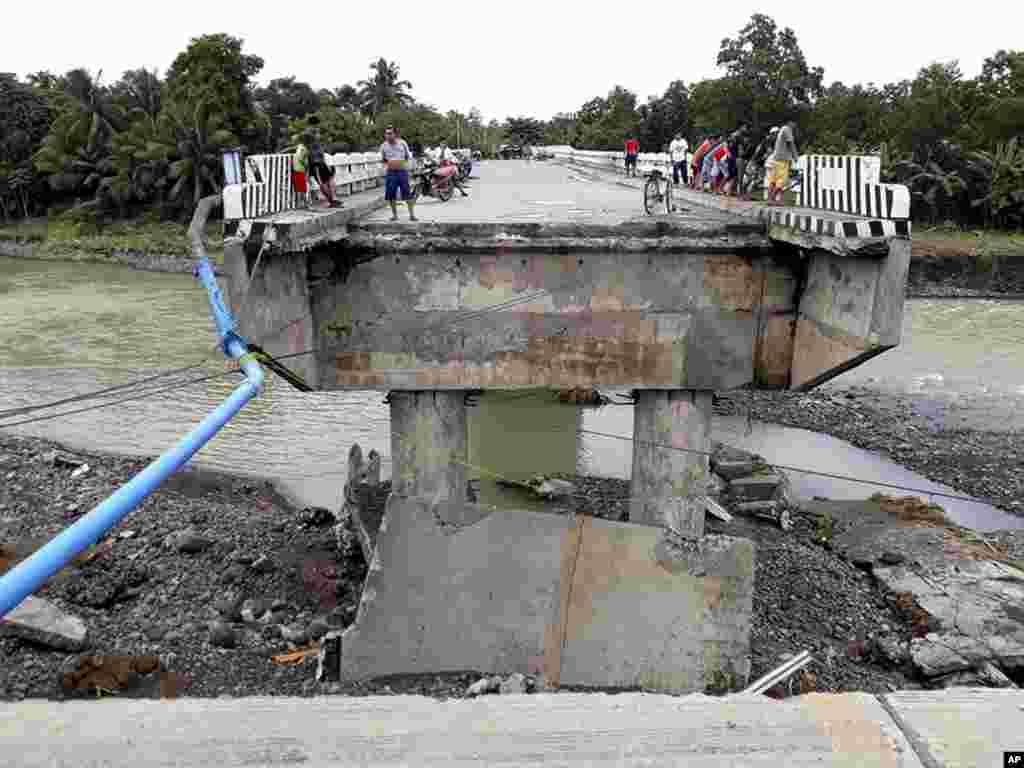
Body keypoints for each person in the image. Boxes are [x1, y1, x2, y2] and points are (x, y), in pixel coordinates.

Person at [380, 125, 417, 222]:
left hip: (402, 171)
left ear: (395, 134)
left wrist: (405, 166)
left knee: (407, 193)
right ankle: (394, 215)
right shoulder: (383, 146)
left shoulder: (402, 143)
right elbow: (383, 159)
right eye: (386, 134)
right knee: (391, 195)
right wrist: (389, 164)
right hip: (391, 172)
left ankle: (412, 215)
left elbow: (407, 156)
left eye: (390, 133)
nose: (387, 135)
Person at [304, 117, 342, 208]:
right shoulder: (313, 132)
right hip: (318, 160)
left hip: (315, 161)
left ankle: (332, 200)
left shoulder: (307, 133)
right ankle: (333, 199)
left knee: (323, 181)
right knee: (327, 179)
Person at [767, 121, 799, 205]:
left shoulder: (782, 130)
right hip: (782, 160)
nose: (795, 126)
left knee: (773, 180)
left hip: (776, 158)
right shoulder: (787, 129)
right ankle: (773, 199)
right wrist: (795, 156)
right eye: (794, 124)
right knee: (782, 181)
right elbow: (791, 143)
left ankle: (770, 199)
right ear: (791, 123)